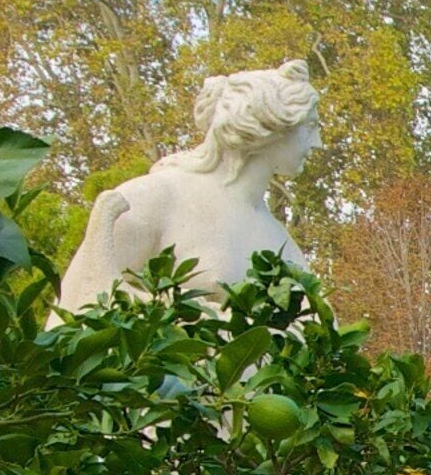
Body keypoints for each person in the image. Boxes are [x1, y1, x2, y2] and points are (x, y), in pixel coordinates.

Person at [58, 63, 321, 308]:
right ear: (270, 124)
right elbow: (71, 315)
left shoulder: (281, 240)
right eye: (310, 127)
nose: (317, 142)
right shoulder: (152, 198)